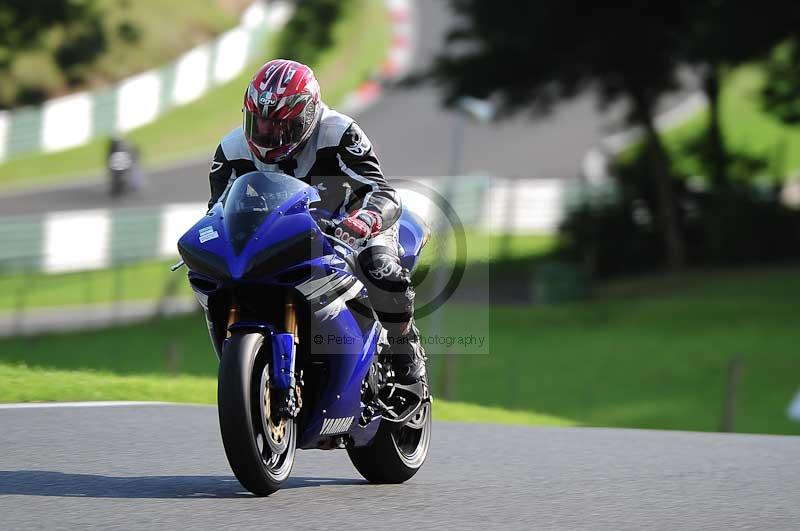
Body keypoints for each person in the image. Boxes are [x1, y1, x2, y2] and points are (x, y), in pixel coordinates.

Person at [207, 59, 426, 383]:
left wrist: (364, 219)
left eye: (281, 126)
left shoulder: (340, 133)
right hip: (284, 234)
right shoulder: (231, 150)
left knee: (380, 268)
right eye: (260, 123)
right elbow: (218, 210)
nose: (268, 135)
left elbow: (380, 191)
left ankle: (405, 347)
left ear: (309, 115)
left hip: (350, 226)